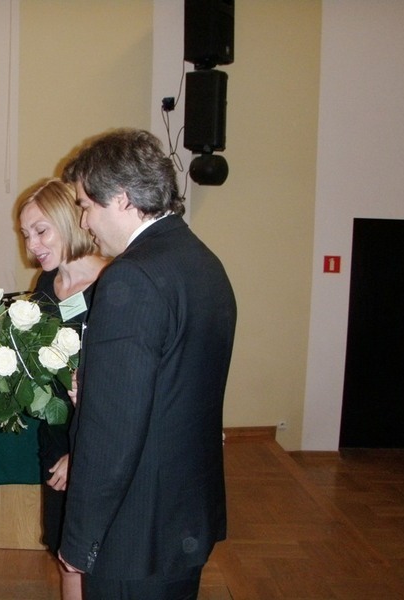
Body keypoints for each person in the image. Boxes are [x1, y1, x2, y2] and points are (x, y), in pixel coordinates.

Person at [58, 128, 237, 599]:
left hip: (134, 528)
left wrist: (80, 538)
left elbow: (112, 428)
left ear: (121, 197)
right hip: (182, 512)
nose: (84, 221)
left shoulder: (131, 277)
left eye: (85, 205)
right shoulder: (203, 261)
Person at [18, 178, 106, 600]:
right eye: (25, 234)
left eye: (40, 231)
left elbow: (119, 388)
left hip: (97, 441)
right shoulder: (46, 283)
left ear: (69, 221)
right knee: (64, 552)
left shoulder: (113, 283)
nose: (31, 245)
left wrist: (84, 453)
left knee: (93, 558)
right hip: (55, 436)